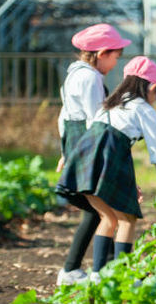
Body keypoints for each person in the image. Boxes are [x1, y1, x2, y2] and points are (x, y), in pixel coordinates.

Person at [56, 56, 156, 284]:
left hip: (83, 159)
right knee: (128, 219)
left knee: (107, 217)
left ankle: (98, 275)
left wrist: (131, 183)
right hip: (107, 160)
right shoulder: (143, 109)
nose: (155, 99)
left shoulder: (111, 104)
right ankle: (123, 276)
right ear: (151, 88)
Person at [56, 23, 131, 285]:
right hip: (89, 147)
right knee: (103, 209)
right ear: (101, 53)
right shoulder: (89, 78)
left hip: (78, 145)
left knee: (99, 209)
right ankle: (86, 270)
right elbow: (95, 120)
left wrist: (66, 151)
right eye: (115, 58)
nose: (115, 64)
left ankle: (91, 268)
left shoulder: (75, 75)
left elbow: (64, 117)